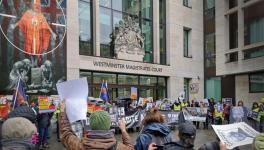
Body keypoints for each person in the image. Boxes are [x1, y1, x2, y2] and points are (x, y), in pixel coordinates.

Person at [59, 101, 133, 150]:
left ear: (91, 124)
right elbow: (130, 148)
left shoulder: (80, 146)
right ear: (108, 125)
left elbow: (66, 134)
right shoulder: (118, 147)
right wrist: (123, 131)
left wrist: (62, 112)